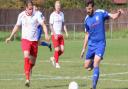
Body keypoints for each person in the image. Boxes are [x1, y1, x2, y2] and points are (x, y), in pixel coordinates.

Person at [80, 1, 124, 89]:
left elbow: (113, 17)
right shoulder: (86, 19)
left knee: (96, 63)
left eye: (89, 9)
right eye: (86, 9)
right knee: (86, 66)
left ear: (93, 8)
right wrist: (83, 49)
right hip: (91, 45)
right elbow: (87, 34)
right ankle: (94, 59)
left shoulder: (100, 13)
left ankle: (93, 86)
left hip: (100, 43)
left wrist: (119, 13)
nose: (87, 11)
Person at [6, 0, 49, 87]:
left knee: (32, 63)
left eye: (31, 9)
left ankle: (29, 69)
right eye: (29, 9)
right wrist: (10, 37)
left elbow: (43, 25)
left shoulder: (37, 14)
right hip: (25, 40)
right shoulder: (21, 15)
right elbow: (17, 26)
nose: (31, 10)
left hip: (34, 42)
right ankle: (27, 79)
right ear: (26, 8)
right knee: (26, 56)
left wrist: (47, 34)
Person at [49, 0, 68, 68]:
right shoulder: (52, 15)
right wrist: (54, 34)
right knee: (57, 49)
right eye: (57, 6)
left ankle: (53, 58)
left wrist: (66, 32)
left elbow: (63, 24)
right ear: (55, 7)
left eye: (59, 6)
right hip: (54, 35)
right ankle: (57, 63)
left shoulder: (62, 14)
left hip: (60, 34)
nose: (58, 7)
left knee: (62, 50)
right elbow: (50, 26)